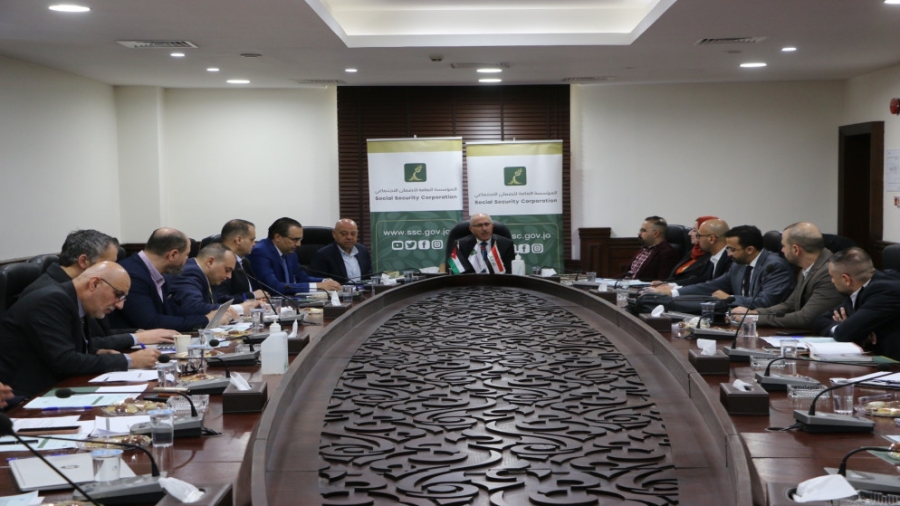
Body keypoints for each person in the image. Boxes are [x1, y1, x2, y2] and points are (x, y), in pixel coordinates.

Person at [0, 262, 161, 398]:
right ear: (94, 284)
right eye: (118, 295)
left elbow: (73, 346)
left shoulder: (74, 301)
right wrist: (130, 360)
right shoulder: (51, 301)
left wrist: (96, 351)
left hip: (59, 387)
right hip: (27, 397)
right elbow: (65, 361)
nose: (120, 305)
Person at [23, 229, 175, 349]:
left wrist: (140, 333)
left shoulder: (87, 290)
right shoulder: (48, 296)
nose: (114, 269)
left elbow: (101, 334)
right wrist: (135, 338)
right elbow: (78, 346)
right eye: (109, 263)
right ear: (84, 261)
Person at [651, 225, 795, 308]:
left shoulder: (775, 267)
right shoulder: (739, 265)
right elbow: (712, 286)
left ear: (750, 250)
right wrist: (673, 292)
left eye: (732, 249)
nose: (729, 254)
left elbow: (766, 302)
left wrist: (729, 298)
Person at [732, 222, 843, 328]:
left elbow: (805, 318)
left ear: (795, 249)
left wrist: (753, 319)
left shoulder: (828, 272)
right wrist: (755, 313)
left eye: (784, 246)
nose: (782, 250)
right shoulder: (808, 268)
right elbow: (790, 305)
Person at [108, 228, 220, 332]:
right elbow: (151, 322)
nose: (188, 260)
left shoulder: (157, 272)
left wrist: (212, 314)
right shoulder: (133, 275)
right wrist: (205, 320)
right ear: (173, 255)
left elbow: (173, 311)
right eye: (186, 255)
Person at [813, 248, 900, 359]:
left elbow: (844, 334)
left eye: (832, 277)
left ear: (846, 279)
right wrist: (853, 328)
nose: (832, 281)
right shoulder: (862, 289)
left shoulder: (886, 291)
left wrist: (852, 329)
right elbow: (820, 321)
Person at [247, 217, 342, 294]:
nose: (299, 244)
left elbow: (302, 278)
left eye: (300, 240)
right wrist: (317, 286)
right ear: (278, 237)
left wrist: (324, 281)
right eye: (295, 240)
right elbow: (274, 287)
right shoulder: (260, 252)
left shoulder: (290, 253)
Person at [170, 243, 257, 318]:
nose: (229, 276)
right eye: (227, 270)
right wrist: (239, 308)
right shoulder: (190, 272)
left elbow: (219, 298)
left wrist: (249, 302)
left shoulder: (206, 275)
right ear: (210, 262)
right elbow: (194, 307)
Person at [213, 219, 266, 303]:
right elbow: (221, 299)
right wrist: (252, 296)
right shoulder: (220, 262)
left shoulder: (244, 261)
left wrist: (257, 300)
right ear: (238, 240)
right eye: (252, 240)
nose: (254, 244)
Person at [448, 213, 515, 274]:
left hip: (498, 282)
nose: (484, 229)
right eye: (479, 225)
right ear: (471, 229)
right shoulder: (460, 245)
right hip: (471, 282)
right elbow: (458, 273)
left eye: (487, 224)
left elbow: (509, 273)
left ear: (492, 226)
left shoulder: (506, 244)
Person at [309, 219, 373, 284]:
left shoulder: (362, 250)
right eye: (344, 234)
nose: (349, 237)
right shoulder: (323, 255)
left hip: (363, 290)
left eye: (353, 234)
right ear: (334, 234)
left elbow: (369, 277)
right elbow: (319, 282)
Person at [664, 216, 722, 286]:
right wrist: (663, 283)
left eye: (694, 231)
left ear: (710, 237)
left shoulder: (713, 257)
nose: (689, 233)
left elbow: (701, 281)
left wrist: (670, 285)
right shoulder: (694, 251)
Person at [626, 216, 680, 281]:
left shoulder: (667, 253)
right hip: (624, 283)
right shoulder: (644, 248)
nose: (639, 233)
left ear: (655, 233)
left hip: (641, 286)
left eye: (643, 231)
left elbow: (662, 281)